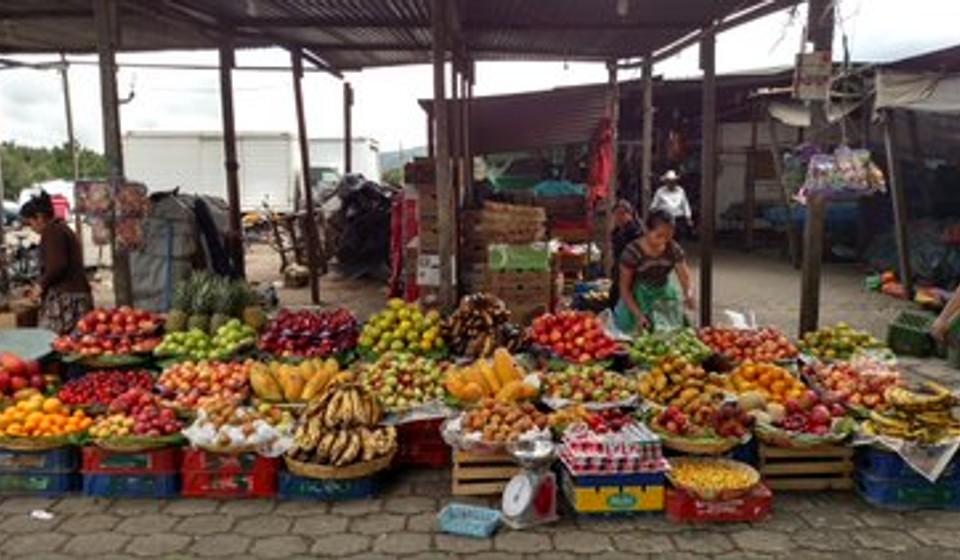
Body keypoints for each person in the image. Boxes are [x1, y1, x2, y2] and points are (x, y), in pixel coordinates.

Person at [20, 191, 93, 335]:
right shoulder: (61, 228)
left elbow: (57, 265)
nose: (31, 228)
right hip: (75, 295)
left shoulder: (52, 231)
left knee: (51, 343)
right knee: (72, 344)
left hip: (66, 299)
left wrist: (40, 286)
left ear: (40, 217)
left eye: (30, 222)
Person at [614, 210, 695, 333]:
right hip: (638, 296)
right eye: (659, 236)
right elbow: (624, 288)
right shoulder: (632, 253)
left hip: (664, 294)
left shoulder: (673, 249)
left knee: (673, 334)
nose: (663, 241)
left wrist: (688, 294)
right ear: (646, 230)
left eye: (668, 237)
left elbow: (684, 276)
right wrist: (638, 315)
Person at [609, 200, 643, 308]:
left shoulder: (636, 231)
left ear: (630, 214)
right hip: (620, 270)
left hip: (633, 272)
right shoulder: (617, 231)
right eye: (616, 214)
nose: (619, 217)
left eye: (623, 214)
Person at [650, 170, 694, 235]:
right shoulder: (660, 191)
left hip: (678, 219)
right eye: (669, 181)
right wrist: (654, 212)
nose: (671, 183)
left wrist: (688, 218)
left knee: (678, 238)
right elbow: (653, 206)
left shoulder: (681, 190)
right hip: (665, 220)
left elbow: (685, 205)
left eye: (673, 181)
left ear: (676, 182)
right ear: (666, 182)